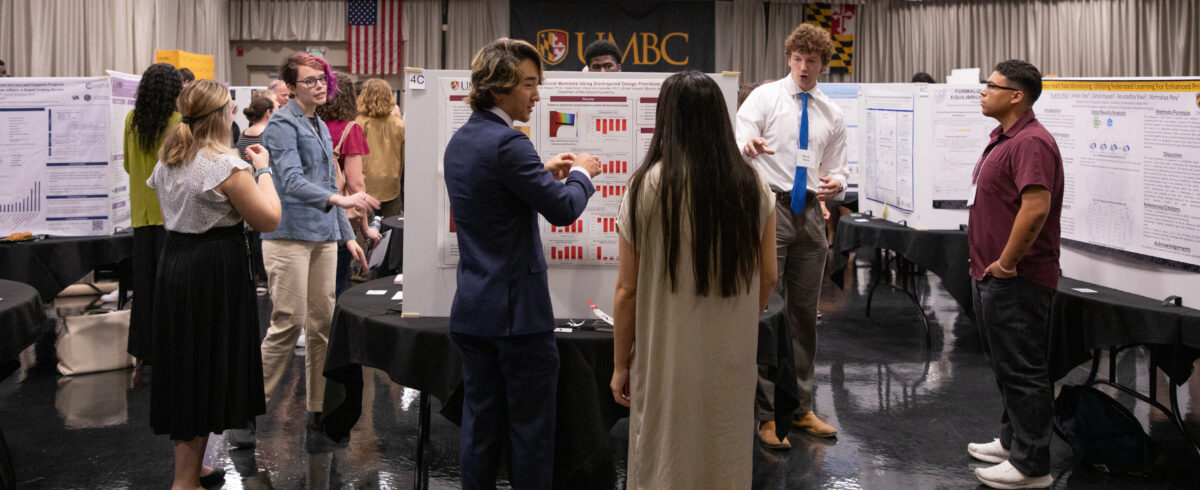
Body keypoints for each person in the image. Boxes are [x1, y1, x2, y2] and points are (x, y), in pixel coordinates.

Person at [443, 38, 601, 490]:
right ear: (498, 87)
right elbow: (564, 210)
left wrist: (539, 174)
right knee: (531, 433)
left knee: (480, 426)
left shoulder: (463, 140)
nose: (537, 94)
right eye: (530, 84)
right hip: (519, 318)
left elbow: (498, 198)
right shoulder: (509, 143)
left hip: (474, 308)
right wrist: (582, 174)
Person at [609, 70, 777, 489]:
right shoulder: (751, 183)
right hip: (731, 352)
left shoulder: (645, 186)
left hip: (663, 353)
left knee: (663, 456)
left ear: (666, 119)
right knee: (724, 452)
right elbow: (769, 275)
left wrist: (618, 364)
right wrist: (740, 317)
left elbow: (627, 291)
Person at [237, 53, 379, 449]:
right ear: (292, 86)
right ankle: (247, 412)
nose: (320, 86)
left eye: (322, 79)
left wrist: (345, 234)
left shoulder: (317, 122)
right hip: (287, 236)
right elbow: (292, 181)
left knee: (323, 325)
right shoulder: (282, 124)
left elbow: (325, 179)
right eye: (310, 80)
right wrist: (342, 203)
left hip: (321, 237)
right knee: (287, 323)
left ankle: (319, 408)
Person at [146, 79, 281, 489]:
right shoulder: (226, 167)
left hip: (176, 263)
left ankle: (190, 469)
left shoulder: (169, 159)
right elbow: (269, 218)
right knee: (205, 369)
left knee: (186, 367)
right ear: (222, 116)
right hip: (213, 271)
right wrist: (263, 170)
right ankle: (184, 481)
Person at [736, 22, 848, 449]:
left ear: (823, 65)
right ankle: (765, 414)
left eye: (812, 61)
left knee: (804, 315)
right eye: (798, 59)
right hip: (770, 209)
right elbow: (741, 134)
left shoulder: (831, 113)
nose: (804, 67)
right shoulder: (766, 97)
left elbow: (838, 166)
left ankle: (800, 407)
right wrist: (749, 147)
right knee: (765, 310)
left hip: (810, 216)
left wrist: (836, 182)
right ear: (789, 59)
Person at [966, 59, 1063, 490]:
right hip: (994, 276)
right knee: (1006, 365)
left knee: (1023, 371)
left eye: (991, 85)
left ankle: (1032, 465)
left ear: (1016, 96)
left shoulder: (1032, 143)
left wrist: (1006, 264)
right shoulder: (1006, 137)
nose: (983, 91)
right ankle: (1012, 442)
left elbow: (1036, 207)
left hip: (1017, 280)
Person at [123, 63, 183, 380]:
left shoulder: (131, 120)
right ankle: (171, 351)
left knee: (143, 288)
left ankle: (140, 353)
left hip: (140, 215)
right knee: (170, 288)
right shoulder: (179, 123)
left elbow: (131, 168)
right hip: (171, 216)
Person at [316, 71, 380, 294]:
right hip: (337, 219)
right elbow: (355, 185)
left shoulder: (310, 124)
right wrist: (365, 227)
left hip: (309, 214)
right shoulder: (350, 130)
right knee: (336, 285)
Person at [237, 93, 278, 287]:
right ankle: (265, 273)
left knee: (252, 233)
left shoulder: (243, 134)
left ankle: (257, 275)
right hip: (264, 182)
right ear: (268, 113)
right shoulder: (268, 135)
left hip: (246, 185)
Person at [356, 78, 407, 218]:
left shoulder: (358, 124)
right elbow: (404, 157)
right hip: (392, 185)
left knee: (365, 230)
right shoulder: (399, 125)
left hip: (366, 186)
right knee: (392, 228)